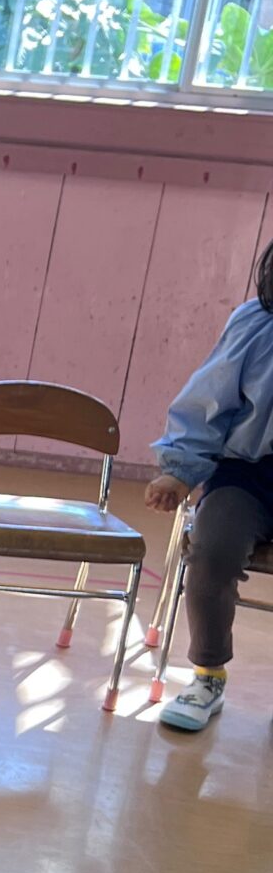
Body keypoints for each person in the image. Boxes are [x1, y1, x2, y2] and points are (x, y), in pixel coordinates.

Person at [145, 239, 273, 735]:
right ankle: (208, 677)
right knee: (212, 555)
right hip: (248, 474)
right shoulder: (255, 324)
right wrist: (181, 470)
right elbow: (208, 400)